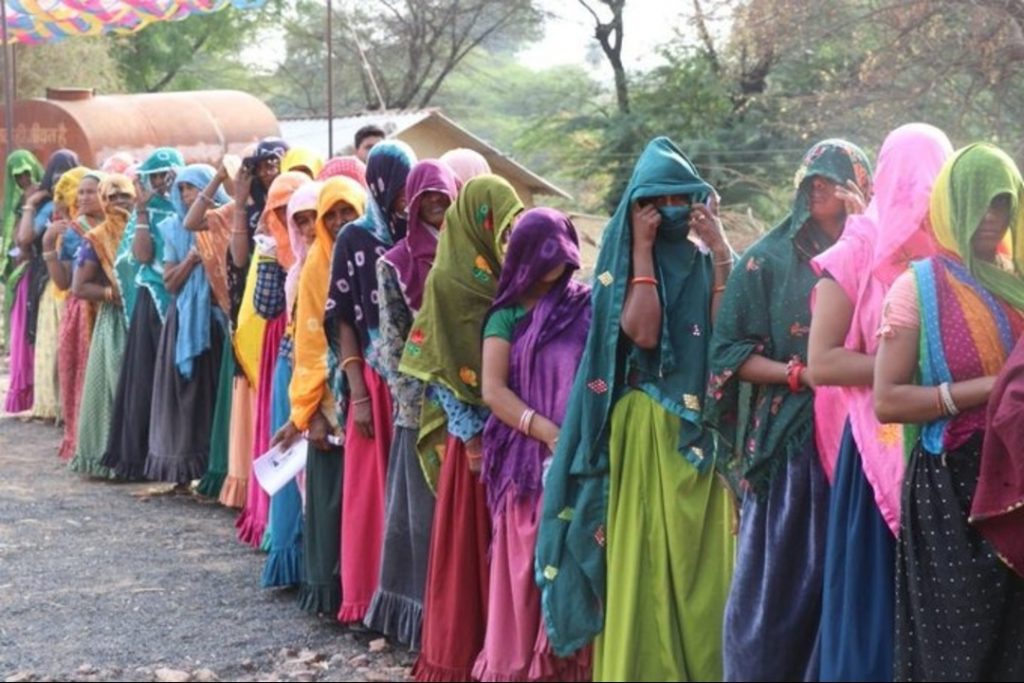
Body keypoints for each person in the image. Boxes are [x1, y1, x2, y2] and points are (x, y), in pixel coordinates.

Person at [536, 137, 736, 681]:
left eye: (680, 200)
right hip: (644, 434)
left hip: (698, 438)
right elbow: (644, 333)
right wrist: (644, 249)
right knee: (645, 565)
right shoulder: (618, 270)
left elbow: (723, 333)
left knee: (705, 572)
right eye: (658, 202)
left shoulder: (703, 264)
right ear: (638, 207)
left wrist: (717, 244)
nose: (670, 212)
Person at [705, 139, 872, 681]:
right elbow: (728, 352)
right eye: (811, 180)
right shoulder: (768, 260)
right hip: (791, 442)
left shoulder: (882, 250)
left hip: (869, 438)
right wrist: (797, 374)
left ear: (862, 186)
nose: (820, 187)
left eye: (834, 177)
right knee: (778, 585)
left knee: (845, 582)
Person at [806, 123, 952, 682]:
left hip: (942, 448)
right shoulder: (859, 248)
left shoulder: (954, 249)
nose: (920, 197)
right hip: (877, 451)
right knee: (875, 605)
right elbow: (823, 362)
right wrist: (908, 371)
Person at [874, 143, 1024, 680]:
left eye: (1002, 204)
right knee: (957, 648)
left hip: (1020, 479)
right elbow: (887, 399)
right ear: (950, 205)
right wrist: (995, 387)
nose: (991, 218)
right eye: (979, 203)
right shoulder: (917, 288)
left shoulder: (1019, 283)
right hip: (952, 492)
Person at [398, 174, 524, 681]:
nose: (508, 235)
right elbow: (443, 365)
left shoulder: (511, 276)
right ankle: (461, 654)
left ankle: (504, 652)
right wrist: (472, 441)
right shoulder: (451, 279)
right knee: (471, 551)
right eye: (500, 224)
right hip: (475, 440)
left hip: (516, 431)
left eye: (514, 226)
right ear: (476, 221)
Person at [475, 208, 592, 681]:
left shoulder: (586, 305)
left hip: (580, 459)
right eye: (545, 255)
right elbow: (493, 389)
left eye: (562, 255)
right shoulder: (504, 316)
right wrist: (544, 430)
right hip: (527, 465)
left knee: (575, 562)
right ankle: (522, 667)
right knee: (527, 570)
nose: (556, 266)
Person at [365, 159, 458, 648]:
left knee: (461, 516)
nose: (438, 206)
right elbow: (393, 342)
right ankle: (418, 618)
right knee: (420, 516)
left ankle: (460, 615)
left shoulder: (474, 258)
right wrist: (415, 406)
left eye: (445, 197)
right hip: (421, 407)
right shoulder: (395, 263)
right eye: (429, 198)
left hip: (471, 402)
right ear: (412, 201)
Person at [325, 140, 416, 623]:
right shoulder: (355, 238)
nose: (406, 197)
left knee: (405, 495)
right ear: (380, 184)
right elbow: (341, 319)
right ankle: (363, 600)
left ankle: (402, 598)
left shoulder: (420, 234)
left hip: (413, 382)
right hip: (374, 382)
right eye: (399, 188)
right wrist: (358, 392)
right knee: (368, 493)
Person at [271, 176, 367, 616]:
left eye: (347, 211)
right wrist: (310, 412)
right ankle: (333, 594)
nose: (339, 221)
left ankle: (365, 591)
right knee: (332, 500)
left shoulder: (374, 253)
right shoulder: (315, 267)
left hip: (375, 394)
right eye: (332, 215)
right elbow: (310, 345)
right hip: (332, 401)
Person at [145, 165, 232, 486]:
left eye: (193, 187)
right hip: (185, 324)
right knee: (188, 397)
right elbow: (170, 282)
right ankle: (183, 472)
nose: (186, 195)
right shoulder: (173, 229)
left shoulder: (225, 224)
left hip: (218, 322)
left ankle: (217, 471)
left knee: (217, 397)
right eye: (181, 189)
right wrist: (193, 260)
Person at [236, 170, 309, 548]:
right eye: (282, 213)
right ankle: (286, 545)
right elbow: (265, 305)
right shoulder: (271, 248)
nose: (303, 225)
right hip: (283, 346)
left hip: (311, 355)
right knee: (288, 448)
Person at [101, 148, 184, 479]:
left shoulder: (188, 210)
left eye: (169, 174)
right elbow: (142, 255)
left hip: (184, 303)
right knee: (148, 379)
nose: (163, 182)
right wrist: (144, 212)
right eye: (157, 176)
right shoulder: (146, 213)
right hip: (153, 302)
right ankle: (142, 458)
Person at [261, 180, 323, 589]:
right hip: (294, 368)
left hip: (319, 375)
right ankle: (292, 561)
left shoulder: (331, 261)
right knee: (294, 468)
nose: (308, 228)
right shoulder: (299, 265)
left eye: (311, 217)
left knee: (317, 474)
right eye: (297, 221)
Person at [67, 174, 136, 478]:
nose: (119, 202)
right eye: (112, 197)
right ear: (103, 201)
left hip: (148, 320)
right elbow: (79, 287)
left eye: (125, 196)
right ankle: (111, 461)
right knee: (115, 386)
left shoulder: (144, 230)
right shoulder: (96, 237)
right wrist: (112, 294)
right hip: (116, 323)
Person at [48, 170, 103, 460]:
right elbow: (63, 282)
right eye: (80, 192)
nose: (82, 197)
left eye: (90, 191)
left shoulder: (118, 225)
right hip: (82, 311)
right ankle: (82, 442)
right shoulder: (73, 231)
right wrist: (48, 247)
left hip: (110, 312)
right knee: (80, 374)